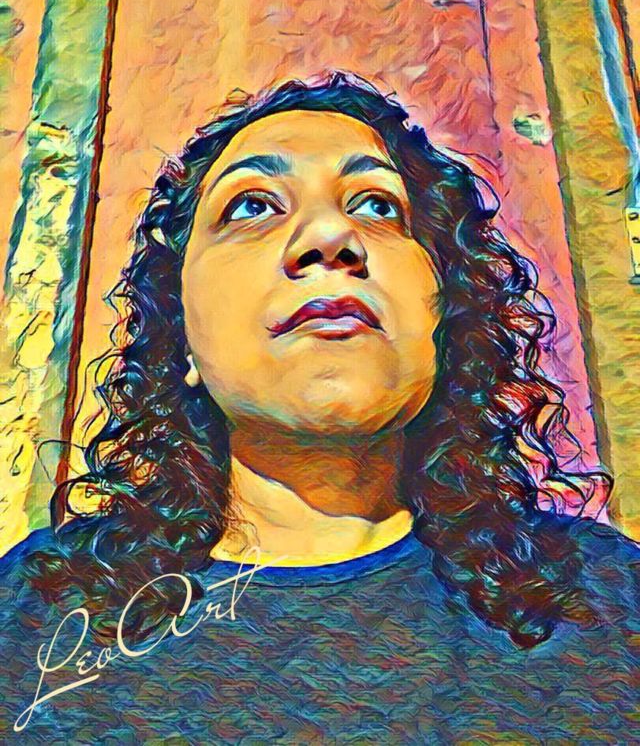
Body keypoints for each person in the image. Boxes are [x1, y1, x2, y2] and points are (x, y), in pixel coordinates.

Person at [0, 71, 637, 742]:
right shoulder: (33, 617)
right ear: (179, 331)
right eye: (252, 205)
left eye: (378, 206)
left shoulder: (606, 601)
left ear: (445, 317)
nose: (331, 233)